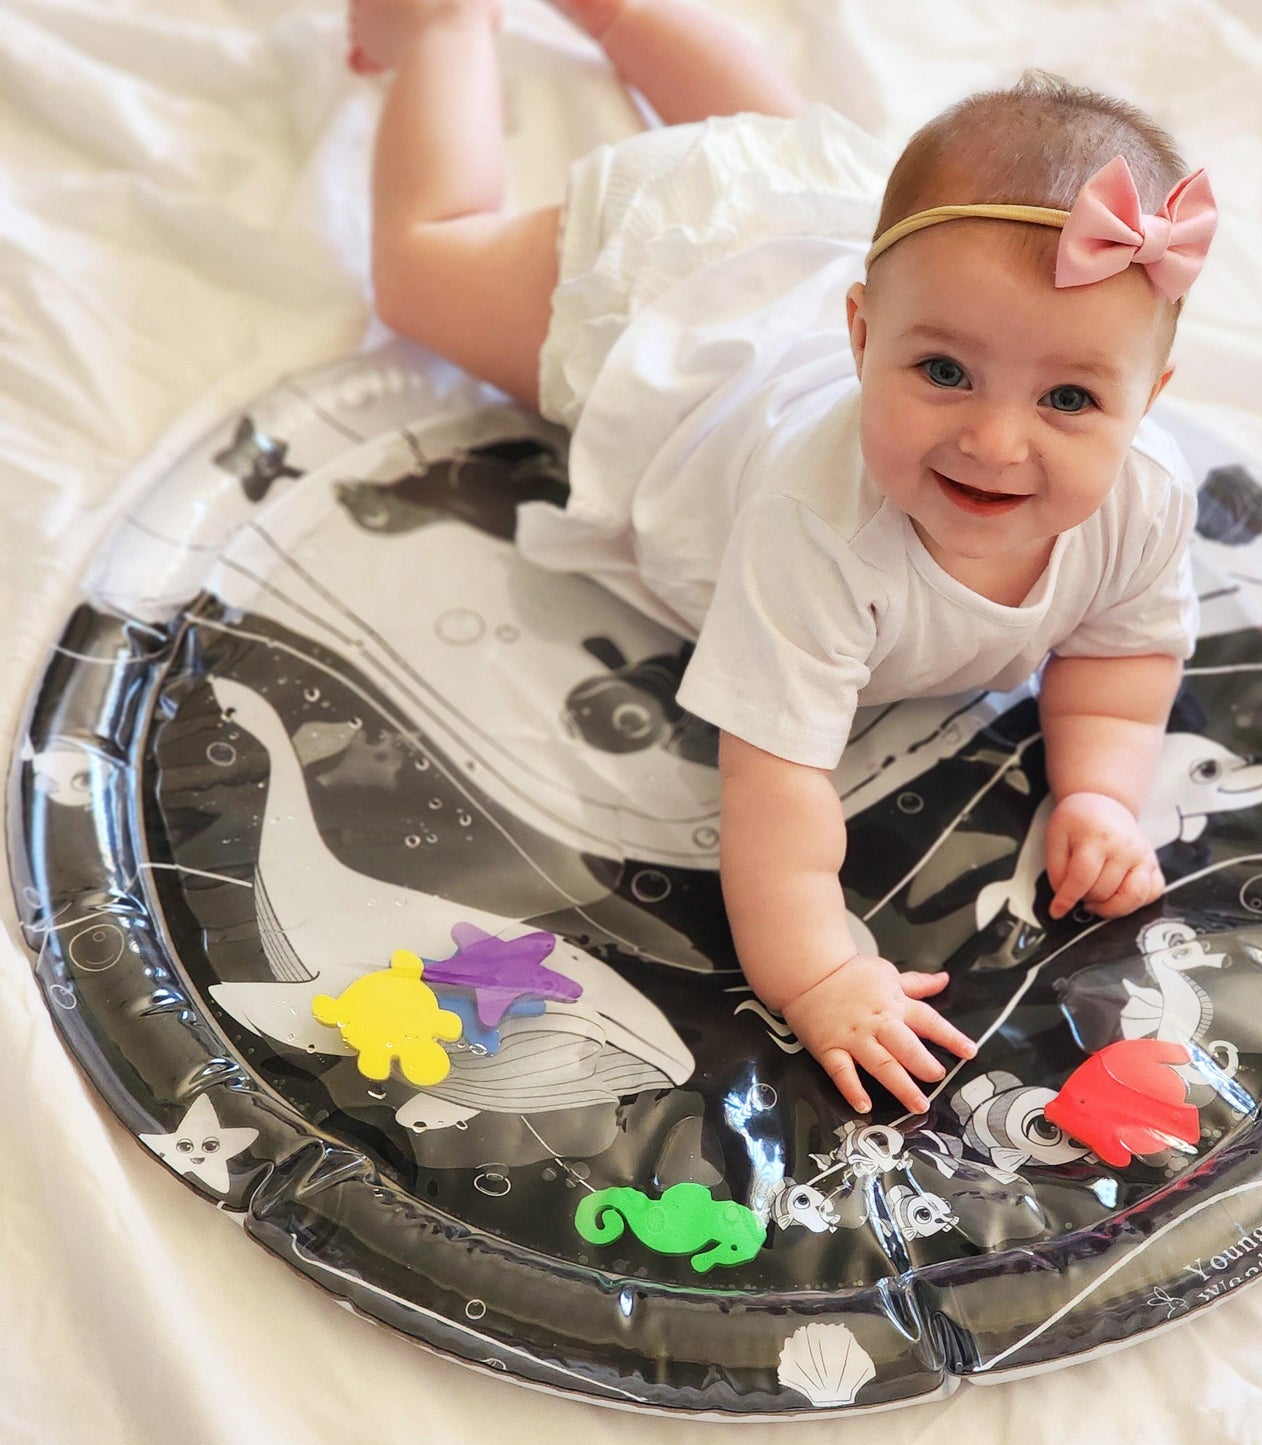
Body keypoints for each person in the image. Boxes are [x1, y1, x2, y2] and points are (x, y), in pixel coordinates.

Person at [351, 0, 1215, 1118]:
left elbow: (1121, 650)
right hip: (683, 318)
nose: (994, 442)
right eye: (942, 372)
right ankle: (443, 28)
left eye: (1067, 398)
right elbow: (775, 788)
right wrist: (817, 969)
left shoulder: (1143, 495)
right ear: (861, 334)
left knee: (784, 149)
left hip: (824, 251)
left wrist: (1098, 789)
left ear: (1146, 402)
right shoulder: (817, 531)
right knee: (423, 270)